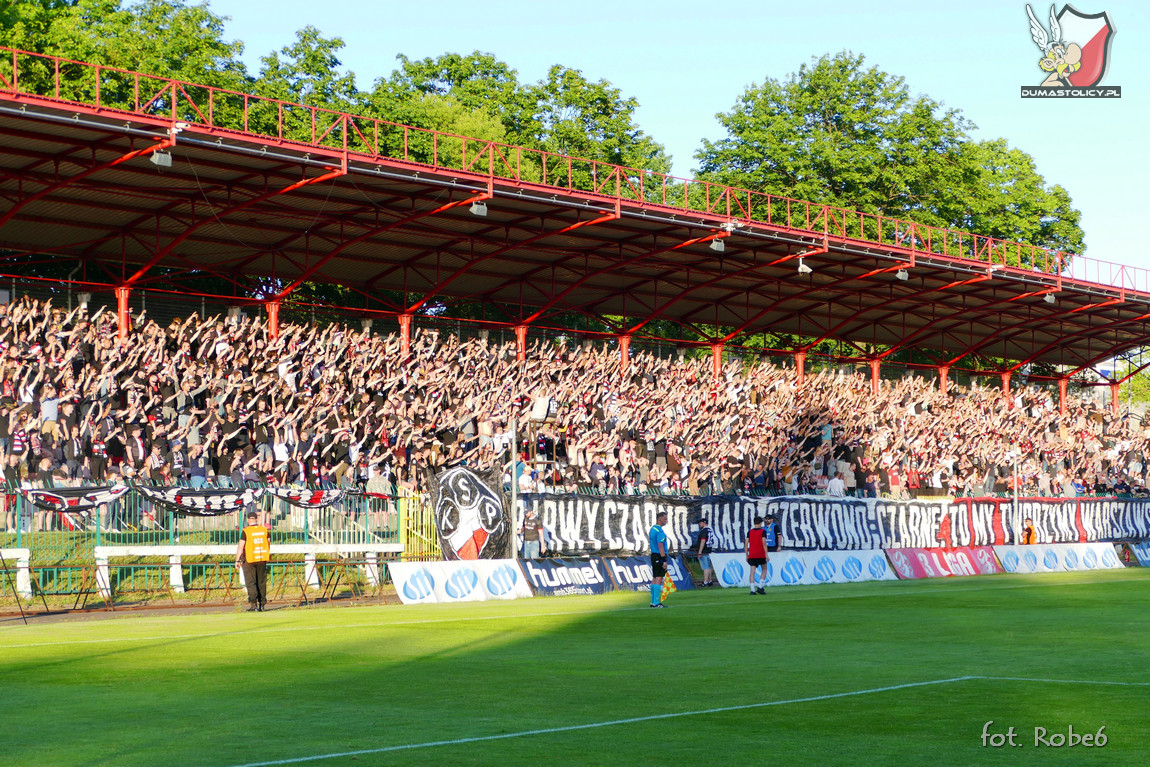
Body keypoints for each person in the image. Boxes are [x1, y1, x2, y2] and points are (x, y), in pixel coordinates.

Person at [235, 510, 270, 612]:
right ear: (256, 519)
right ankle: (262, 605)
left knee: (251, 582)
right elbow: (268, 543)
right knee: (261, 582)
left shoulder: (246, 531)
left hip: (249, 559)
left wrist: (237, 560)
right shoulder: (264, 530)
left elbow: (241, 546)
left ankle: (253, 604)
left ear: (247, 520)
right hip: (262, 558)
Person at [649, 510, 669, 608]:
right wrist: (664, 559)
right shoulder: (660, 531)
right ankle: (656, 602)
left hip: (653, 555)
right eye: (665, 519)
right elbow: (660, 545)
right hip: (659, 555)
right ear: (660, 519)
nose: (666, 521)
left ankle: (653, 601)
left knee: (655, 577)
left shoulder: (653, 529)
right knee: (659, 577)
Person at [746, 515, 769, 595]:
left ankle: (752, 590)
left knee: (752, 572)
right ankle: (760, 587)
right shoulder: (762, 531)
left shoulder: (750, 532)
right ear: (760, 523)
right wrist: (766, 554)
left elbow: (746, 544)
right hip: (760, 554)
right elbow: (764, 543)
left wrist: (747, 555)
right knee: (764, 569)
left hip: (752, 554)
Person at [695, 518, 715, 586]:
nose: (699, 524)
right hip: (709, 550)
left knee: (705, 567)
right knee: (708, 566)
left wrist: (700, 552)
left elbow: (703, 541)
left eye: (700, 523)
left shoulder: (703, 531)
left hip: (704, 551)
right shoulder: (709, 530)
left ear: (704, 523)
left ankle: (705, 582)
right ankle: (710, 580)